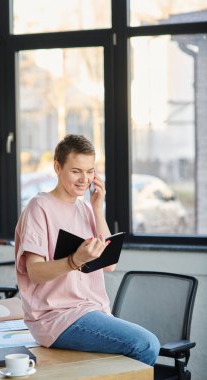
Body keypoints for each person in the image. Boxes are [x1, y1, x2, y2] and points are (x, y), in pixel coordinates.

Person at [15, 134, 160, 366]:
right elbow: (35, 272)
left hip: (90, 311)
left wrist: (96, 208)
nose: (85, 179)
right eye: (76, 171)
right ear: (57, 167)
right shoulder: (39, 207)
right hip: (56, 317)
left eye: (90, 171)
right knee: (146, 344)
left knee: (130, 352)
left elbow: (110, 264)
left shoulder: (84, 208)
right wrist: (73, 261)